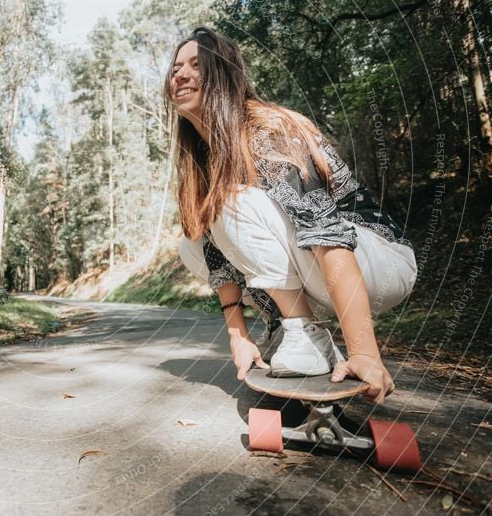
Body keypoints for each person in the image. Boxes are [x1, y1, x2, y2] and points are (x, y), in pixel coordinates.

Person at [167, 27, 417, 405]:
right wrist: (238, 336)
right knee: (194, 240)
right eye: (175, 67)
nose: (180, 74)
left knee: (230, 203)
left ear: (226, 76)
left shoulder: (267, 130)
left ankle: (304, 332)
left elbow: (327, 233)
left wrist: (364, 352)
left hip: (380, 263)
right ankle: (288, 327)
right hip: (323, 270)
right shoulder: (203, 156)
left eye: (197, 65)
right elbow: (219, 254)